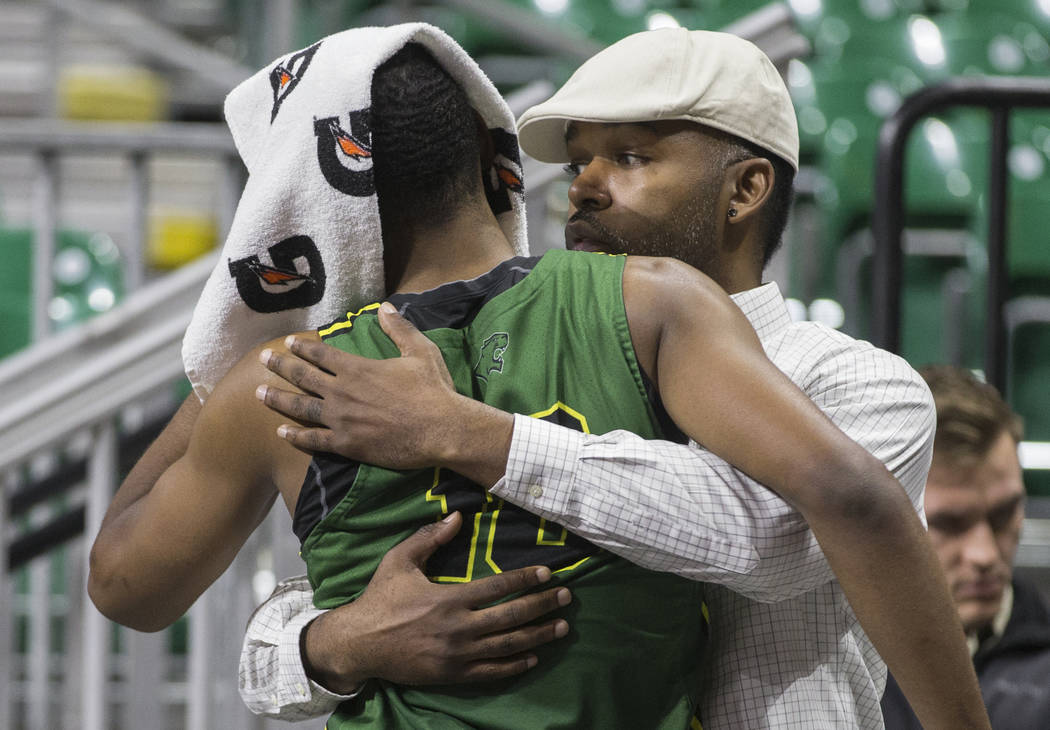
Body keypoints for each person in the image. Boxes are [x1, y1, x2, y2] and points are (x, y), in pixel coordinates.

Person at [239, 29, 988, 730]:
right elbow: (286, 629)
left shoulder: (861, 385)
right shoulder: (503, 366)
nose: (583, 189)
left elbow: (770, 540)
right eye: (576, 164)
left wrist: (476, 435)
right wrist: (333, 644)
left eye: (628, 158)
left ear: (745, 189)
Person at [881, 365, 1050, 730]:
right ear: (884, 518)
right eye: (949, 524)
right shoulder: (827, 669)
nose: (985, 555)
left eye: (1004, 514)